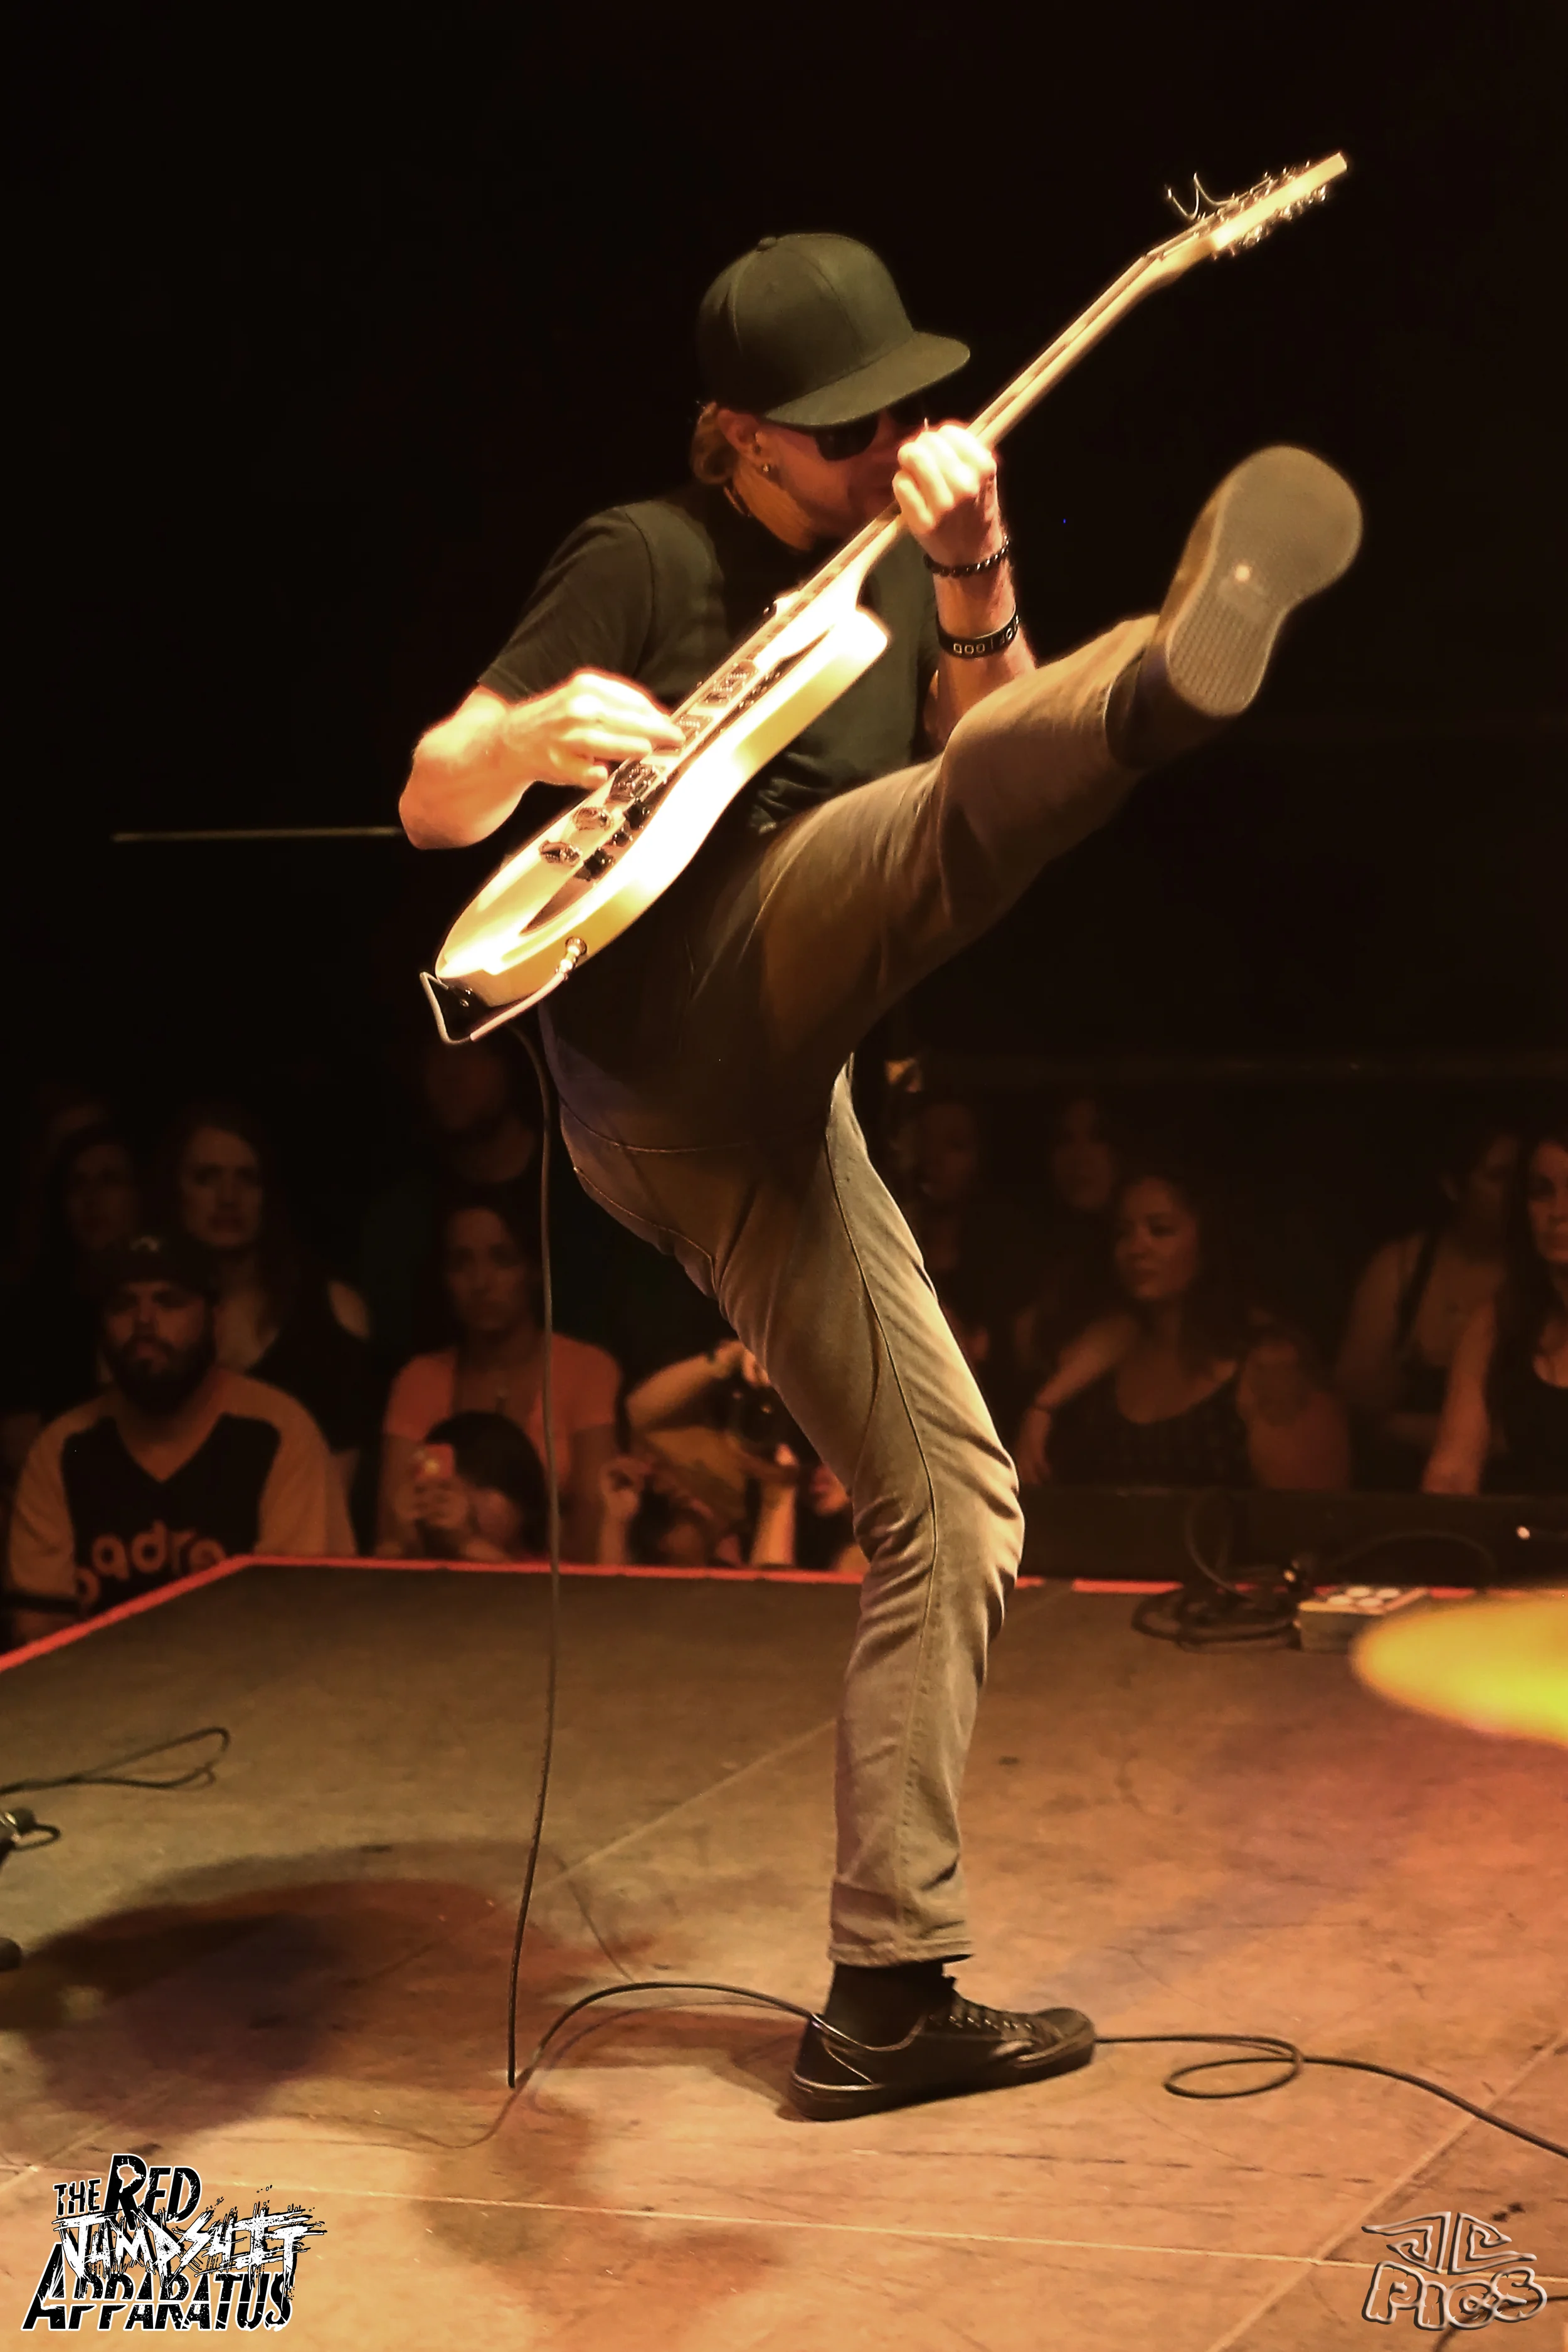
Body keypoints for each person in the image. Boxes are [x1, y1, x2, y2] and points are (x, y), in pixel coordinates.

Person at [398, 228, 1361, 2118]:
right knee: (905, 843)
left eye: (898, 414)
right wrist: (520, 733)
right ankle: (1161, 693)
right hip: (671, 1018)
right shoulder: (644, 554)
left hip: (760, 1100)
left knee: (954, 1502)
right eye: (838, 433)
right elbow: (435, 795)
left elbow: (979, 754)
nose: (879, 450)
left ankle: (886, 1995)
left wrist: (973, 569)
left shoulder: (894, 564)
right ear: (736, 435)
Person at [5, 1232, 352, 1645]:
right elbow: (38, 1629)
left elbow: (302, 1619)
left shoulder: (277, 1432)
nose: (144, 1321)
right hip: (98, 1684)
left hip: (253, 1679)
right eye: (123, 1305)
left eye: (169, 1301)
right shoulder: (65, 1447)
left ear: (215, 1318)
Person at [1015, 1159, 1350, 1490]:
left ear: (1206, 1239)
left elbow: (1312, 1511)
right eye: (1123, 1233)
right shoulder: (1106, 1351)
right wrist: (1041, 1409)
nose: (1136, 1248)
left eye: (1160, 1230)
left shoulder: (1269, 1360)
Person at [378, 1188, 620, 1562]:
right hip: (440, 1586)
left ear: (534, 1270)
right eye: (461, 1263)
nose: (481, 1282)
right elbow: (392, 1535)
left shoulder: (587, 1369)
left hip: (556, 1588)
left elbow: (595, 1533)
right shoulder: (420, 1379)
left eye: (502, 1259)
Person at [155, 1102, 374, 1493]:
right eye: (207, 1177)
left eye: (247, 1179)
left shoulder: (333, 1312)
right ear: (175, 1190)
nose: (228, 1197)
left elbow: (332, 1495)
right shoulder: (141, 1316)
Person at [1335, 1116, 1520, 1488]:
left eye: (1522, 1179)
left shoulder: (1546, 1278)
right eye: (1498, 1177)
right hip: (1402, 1487)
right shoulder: (1404, 1269)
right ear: (1453, 1186)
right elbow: (1353, 1402)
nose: (1514, 1194)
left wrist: (1400, 1427)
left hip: (1518, 1490)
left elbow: (1534, 1432)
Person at [1424, 1113, 1568, 1495]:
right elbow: (1452, 1473)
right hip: (1531, 1532)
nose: (1559, 1211)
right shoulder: (1499, 1321)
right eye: (1542, 1191)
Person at [0, 1121, 142, 1489]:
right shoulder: (32, 1316)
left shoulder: (173, 1300)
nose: (92, 1199)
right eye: (78, 1185)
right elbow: (22, 1450)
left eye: (110, 1181)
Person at [1012, 1093, 1123, 1400]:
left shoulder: (1143, 1258)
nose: (1080, 1157)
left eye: (1099, 1138)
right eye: (1064, 1140)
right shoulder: (1031, 1260)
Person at [383, 1409, 550, 1562]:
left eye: (481, 1485)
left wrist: (465, 1542)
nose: (462, 1499)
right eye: (445, 1487)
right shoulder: (417, 1553)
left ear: (524, 1500)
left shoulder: (545, 1570)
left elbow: (515, 1582)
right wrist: (405, 1537)